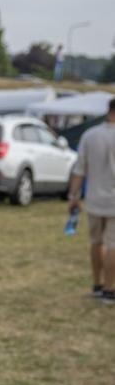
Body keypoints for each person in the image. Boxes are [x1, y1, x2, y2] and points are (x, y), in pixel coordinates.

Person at [68, 95, 115, 304]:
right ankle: (110, 289)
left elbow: (79, 169)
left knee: (96, 242)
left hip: (94, 199)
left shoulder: (90, 135)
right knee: (113, 245)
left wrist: (73, 196)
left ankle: (97, 284)